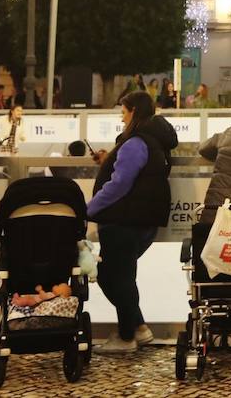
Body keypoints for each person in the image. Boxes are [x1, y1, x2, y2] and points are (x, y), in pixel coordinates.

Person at [88, 91, 178, 354]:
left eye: (124, 110)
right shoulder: (155, 141)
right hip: (143, 218)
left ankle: (127, 334)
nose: (122, 115)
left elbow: (119, 184)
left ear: (134, 112)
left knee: (111, 275)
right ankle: (138, 327)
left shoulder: (136, 142)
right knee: (124, 276)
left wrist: (90, 209)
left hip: (124, 219)